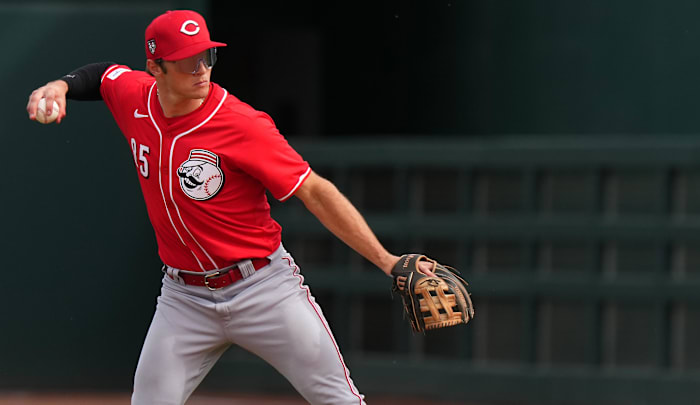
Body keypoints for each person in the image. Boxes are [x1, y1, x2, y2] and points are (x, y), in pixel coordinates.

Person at [27, 9, 433, 405]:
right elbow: (102, 76)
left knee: (338, 400)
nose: (202, 69)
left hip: (263, 288)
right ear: (156, 67)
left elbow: (315, 190)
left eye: (206, 56)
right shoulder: (136, 97)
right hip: (183, 299)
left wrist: (386, 260)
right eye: (188, 61)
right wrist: (60, 85)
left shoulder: (242, 124)